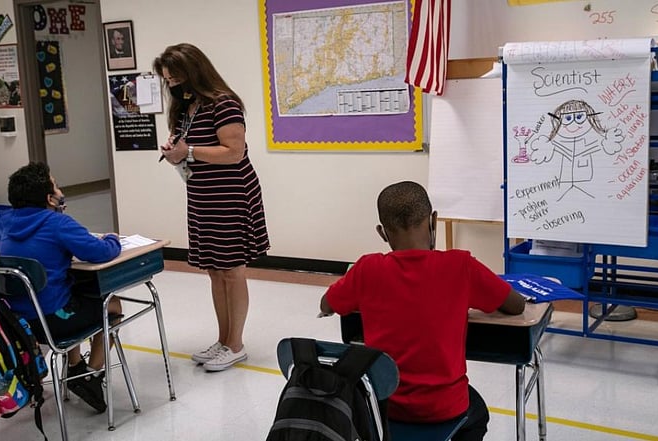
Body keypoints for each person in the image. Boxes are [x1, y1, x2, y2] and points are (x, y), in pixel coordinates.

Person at [319, 181, 525, 441]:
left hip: (384, 408)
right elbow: (515, 305)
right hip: (444, 408)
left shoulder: (366, 269)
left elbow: (327, 304)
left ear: (382, 233)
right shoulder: (460, 265)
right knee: (478, 414)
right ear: (434, 221)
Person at [153, 43, 270, 372]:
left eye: (177, 78)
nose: (174, 85)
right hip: (203, 196)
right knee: (215, 271)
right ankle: (223, 340)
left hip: (231, 196)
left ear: (194, 72)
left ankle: (236, 344)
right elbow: (188, 147)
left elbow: (234, 151)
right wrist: (175, 150)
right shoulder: (186, 107)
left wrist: (189, 152)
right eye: (169, 81)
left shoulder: (224, 103)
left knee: (232, 271)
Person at [0, 162, 122, 413]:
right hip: (52, 321)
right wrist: (112, 238)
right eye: (55, 185)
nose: (59, 189)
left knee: (70, 292)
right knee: (113, 304)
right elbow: (100, 252)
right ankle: (90, 375)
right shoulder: (57, 223)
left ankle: (74, 366)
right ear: (49, 198)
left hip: (17, 322)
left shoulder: (6, 223)